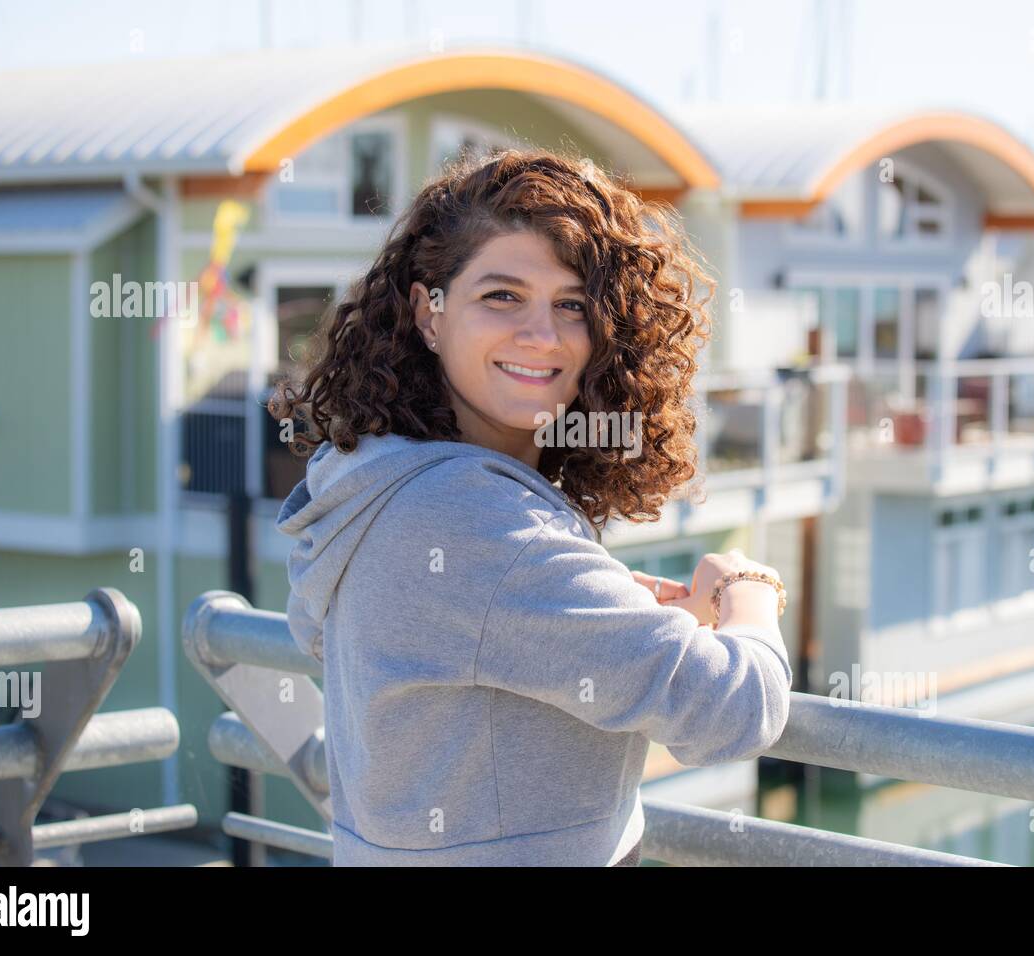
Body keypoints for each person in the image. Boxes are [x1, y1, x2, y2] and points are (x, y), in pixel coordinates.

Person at [271, 147, 792, 867]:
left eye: (572, 305)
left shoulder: (379, 478)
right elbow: (734, 710)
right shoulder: (472, 520)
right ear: (429, 313)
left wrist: (594, 598)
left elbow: (463, 628)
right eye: (502, 296)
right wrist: (750, 593)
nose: (541, 335)